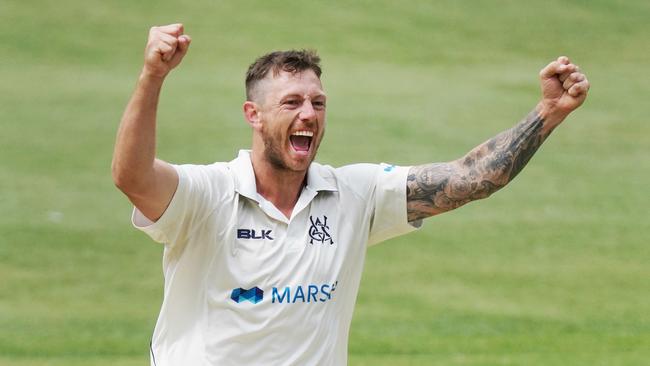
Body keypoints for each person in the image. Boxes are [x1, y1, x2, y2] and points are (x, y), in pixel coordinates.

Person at [112, 24, 590, 366]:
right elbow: (131, 176)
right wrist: (152, 77)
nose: (309, 114)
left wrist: (547, 112)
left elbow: (471, 177)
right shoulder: (208, 193)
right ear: (253, 115)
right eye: (292, 102)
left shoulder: (353, 194)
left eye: (318, 103)